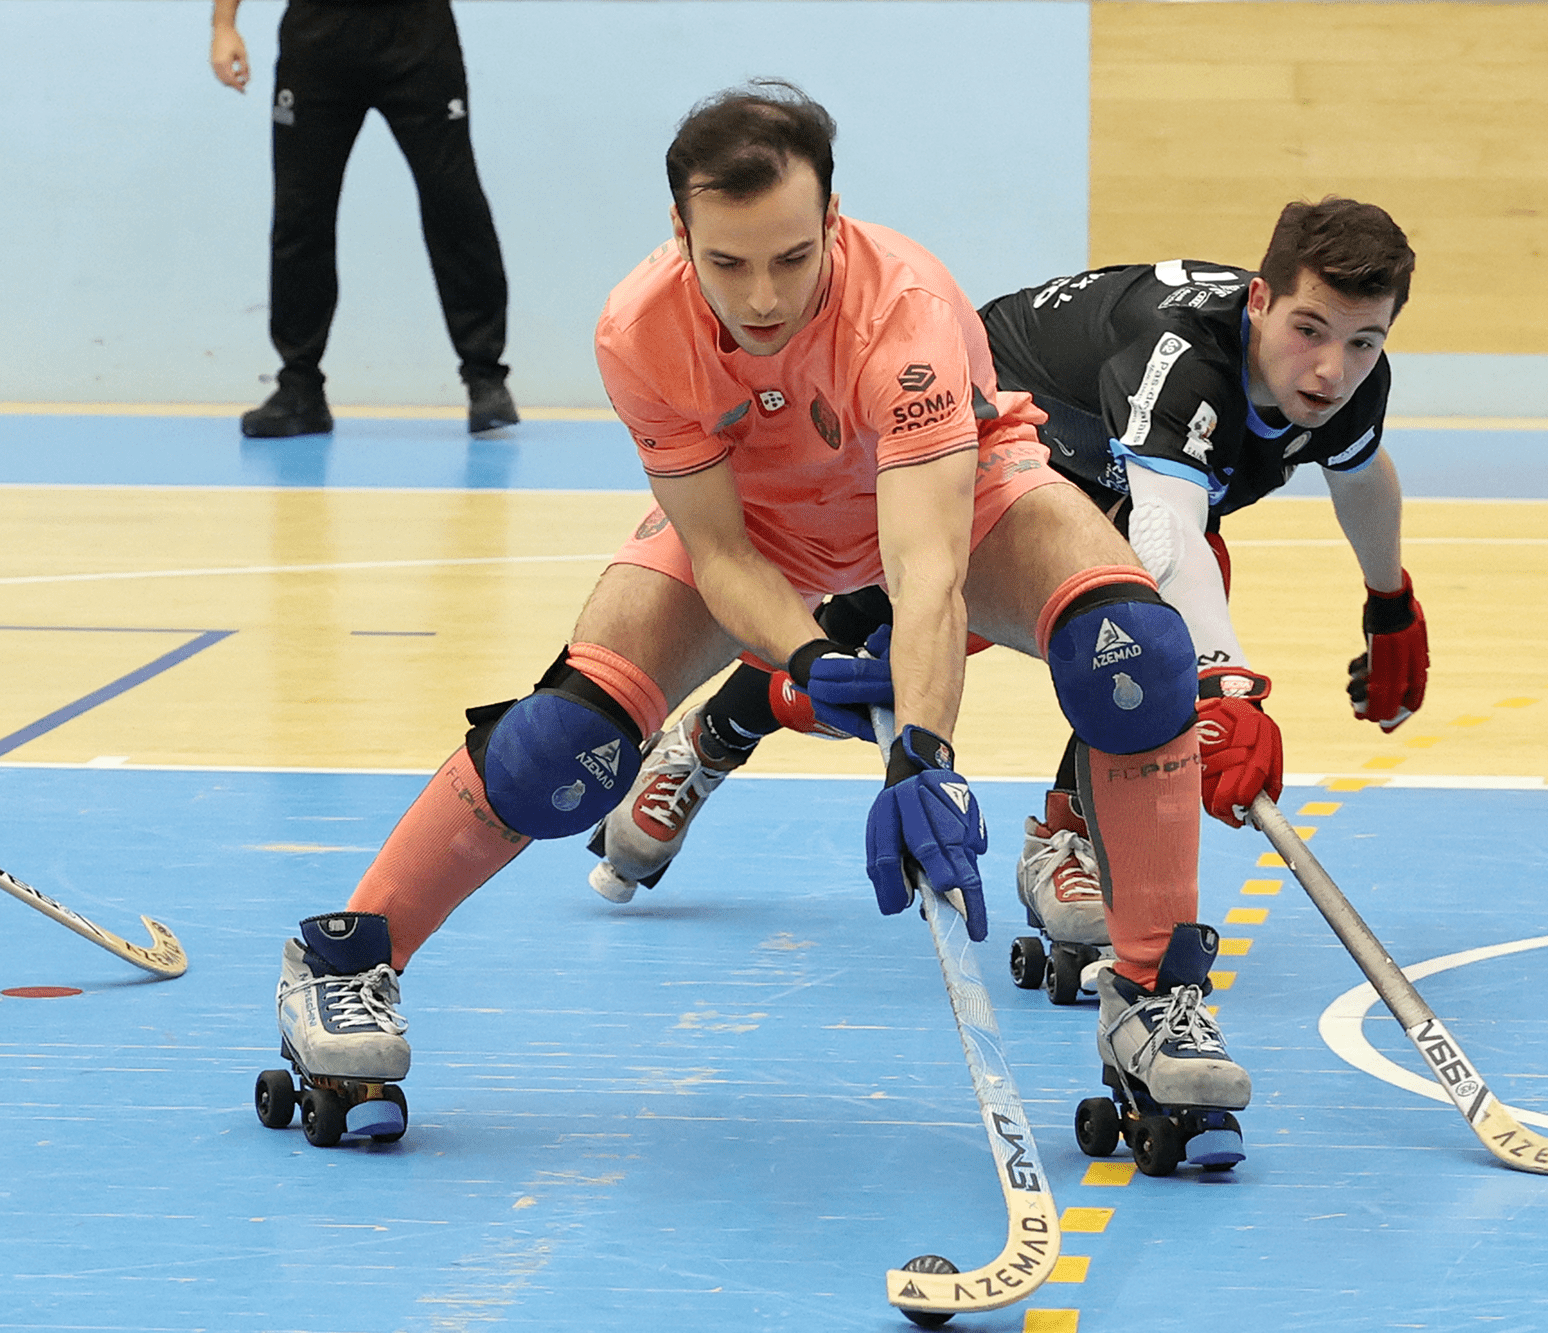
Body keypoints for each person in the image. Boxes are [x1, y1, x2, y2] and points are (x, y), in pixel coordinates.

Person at [265, 81, 1250, 1165]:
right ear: (680, 233)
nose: (763, 294)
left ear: (833, 219)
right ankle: (344, 961)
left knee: (1134, 652)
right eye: (727, 263)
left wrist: (924, 755)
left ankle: (1153, 996)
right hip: (760, 524)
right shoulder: (638, 328)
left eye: (791, 257)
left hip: (965, 500)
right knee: (562, 746)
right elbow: (723, 553)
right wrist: (808, 654)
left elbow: (926, 571)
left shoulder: (908, 313)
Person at [588, 197, 1428, 983]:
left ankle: (1071, 838)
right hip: (1002, 415)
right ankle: (708, 741)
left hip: (1110, 473)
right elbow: (1168, 529)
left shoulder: (1349, 378)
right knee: (872, 660)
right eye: (1309, 330)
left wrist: (1389, 602)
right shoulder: (1184, 362)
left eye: (1364, 342)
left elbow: (1359, 474)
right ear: (1259, 302)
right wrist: (1223, 686)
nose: (1332, 369)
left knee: (1133, 638)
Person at [210, 0, 519, 438]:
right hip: (316, 39)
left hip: (417, 35)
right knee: (301, 215)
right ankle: (299, 388)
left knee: (454, 202)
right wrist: (224, 25)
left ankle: (485, 378)